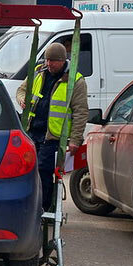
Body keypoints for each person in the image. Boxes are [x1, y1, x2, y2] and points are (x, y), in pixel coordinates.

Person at [16, 42, 88, 211]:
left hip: (53, 136)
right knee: (28, 170)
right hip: (32, 132)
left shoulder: (75, 81)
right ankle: (30, 206)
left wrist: (75, 140)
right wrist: (22, 99)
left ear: (63, 60)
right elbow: (21, 90)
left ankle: (43, 208)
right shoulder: (38, 72)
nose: (49, 64)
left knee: (44, 171)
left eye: (53, 61)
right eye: (47, 60)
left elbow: (80, 112)